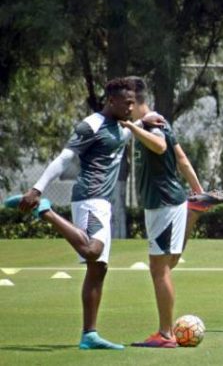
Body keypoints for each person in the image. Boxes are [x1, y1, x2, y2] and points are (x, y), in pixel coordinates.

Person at [5, 78, 145, 349]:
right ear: (111, 101)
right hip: (89, 198)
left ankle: (89, 335)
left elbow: (128, 134)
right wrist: (37, 189)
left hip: (103, 203)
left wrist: (147, 123)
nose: (131, 107)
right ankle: (45, 211)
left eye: (134, 103)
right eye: (127, 103)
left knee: (99, 269)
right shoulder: (90, 125)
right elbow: (65, 158)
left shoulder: (120, 125)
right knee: (92, 252)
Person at [124, 77, 205, 348]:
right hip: (169, 200)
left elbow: (158, 146)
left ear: (133, 102)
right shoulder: (158, 121)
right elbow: (180, 157)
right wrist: (197, 190)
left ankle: (166, 334)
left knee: (159, 269)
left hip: (162, 202)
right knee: (166, 264)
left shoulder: (150, 123)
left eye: (125, 103)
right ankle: (193, 210)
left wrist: (131, 127)